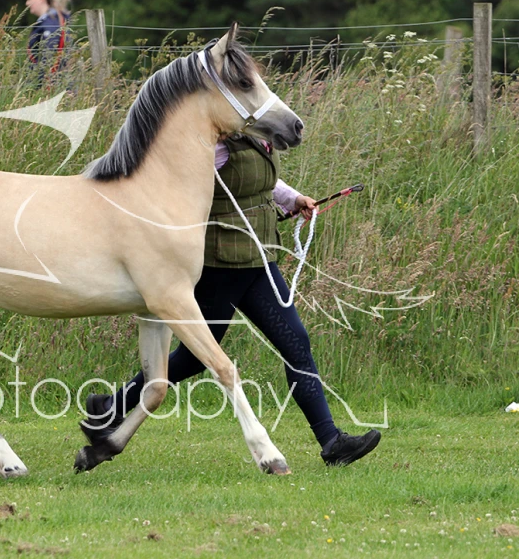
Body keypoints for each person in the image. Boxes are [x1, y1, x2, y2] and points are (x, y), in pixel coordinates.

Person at [85, 134, 382, 467]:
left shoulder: (255, 136)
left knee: (295, 342)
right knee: (194, 358)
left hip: (257, 260)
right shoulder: (215, 144)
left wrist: (293, 198)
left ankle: (332, 442)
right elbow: (180, 184)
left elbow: (259, 180)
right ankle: (109, 407)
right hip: (221, 265)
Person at [25, 0, 72, 80]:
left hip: (50, 82)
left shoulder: (51, 23)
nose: (27, 3)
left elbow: (49, 57)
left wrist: (39, 82)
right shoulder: (52, 20)